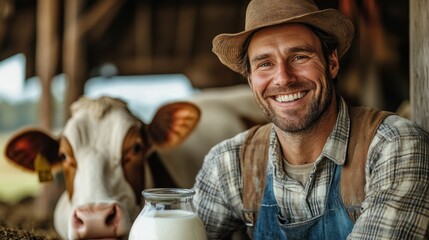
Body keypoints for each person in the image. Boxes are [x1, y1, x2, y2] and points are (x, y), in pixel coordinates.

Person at [192, 0, 429, 239]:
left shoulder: (394, 146)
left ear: (332, 63)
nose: (283, 78)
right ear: (251, 80)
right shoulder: (229, 164)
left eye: (299, 57)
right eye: (265, 64)